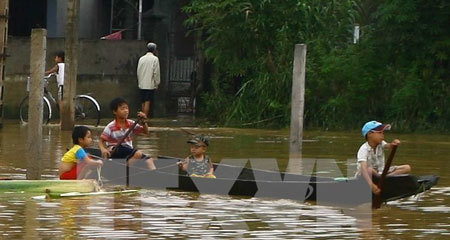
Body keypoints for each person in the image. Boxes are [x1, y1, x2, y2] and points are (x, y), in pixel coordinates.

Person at [98, 97, 156, 170]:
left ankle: (154, 175)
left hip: (128, 150)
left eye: (127, 108)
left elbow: (146, 132)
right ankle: (123, 171)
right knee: (137, 154)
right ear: (115, 112)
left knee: (149, 160)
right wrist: (103, 149)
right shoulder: (110, 127)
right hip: (115, 151)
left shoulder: (131, 123)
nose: (126, 111)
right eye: (122, 109)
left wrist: (144, 122)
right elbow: (101, 141)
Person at [356, 121, 411, 195]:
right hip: (365, 176)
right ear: (369, 134)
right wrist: (372, 186)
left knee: (407, 168)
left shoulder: (381, 143)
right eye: (379, 133)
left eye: (383, 133)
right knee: (369, 169)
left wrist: (394, 143)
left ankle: (386, 179)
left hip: (380, 174)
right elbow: (363, 169)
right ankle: (382, 179)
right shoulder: (363, 149)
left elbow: (389, 146)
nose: (382, 135)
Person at [137, 42, 160, 117]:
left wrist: (139, 81)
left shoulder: (141, 58)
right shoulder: (155, 59)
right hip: (150, 84)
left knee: (143, 101)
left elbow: (138, 71)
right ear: (154, 50)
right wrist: (157, 83)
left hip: (142, 83)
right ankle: (145, 117)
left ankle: (142, 117)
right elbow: (156, 72)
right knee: (147, 101)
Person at [45, 51, 65, 118]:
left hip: (62, 86)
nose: (55, 59)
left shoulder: (58, 65)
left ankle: (62, 120)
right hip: (66, 85)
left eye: (56, 57)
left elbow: (50, 71)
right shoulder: (65, 65)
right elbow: (57, 73)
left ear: (60, 58)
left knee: (60, 103)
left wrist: (41, 73)